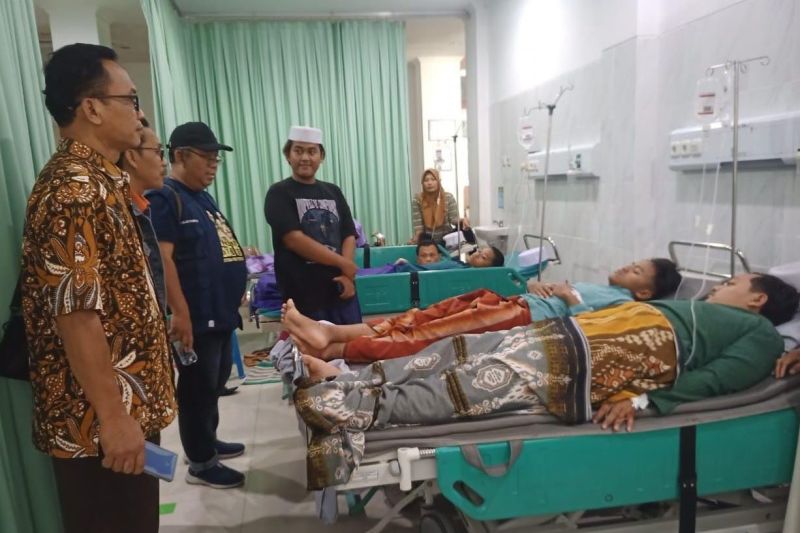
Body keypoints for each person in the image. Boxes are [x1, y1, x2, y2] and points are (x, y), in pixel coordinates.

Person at [295, 273, 798, 488]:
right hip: (570, 332)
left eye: (733, 283)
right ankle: (349, 379)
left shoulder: (760, 337)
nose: (720, 285)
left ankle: (348, 407)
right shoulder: (700, 310)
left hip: (589, 365)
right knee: (453, 351)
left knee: (468, 387)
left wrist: (644, 402)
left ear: (758, 301)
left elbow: (718, 379)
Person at [21, 43, 176, 533]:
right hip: (96, 429)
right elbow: (76, 316)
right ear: (91, 108)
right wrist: (114, 419)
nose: (140, 113)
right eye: (130, 100)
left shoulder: (102, 182)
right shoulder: (74, 190)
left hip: (120, 417)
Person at [283, 258, 681, 362]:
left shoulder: (626, 306)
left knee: (422, 337)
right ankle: (330, 331)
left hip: (522, 320)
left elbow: (592, 332)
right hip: (516, 303)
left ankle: (333, 350)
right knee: (418, 318)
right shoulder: (608, 288)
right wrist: (539, 285)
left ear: (645, 292)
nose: (627, 266)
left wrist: (569, 298)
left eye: (637, 271)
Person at [147, 121, 247, 489]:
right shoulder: (165, 198)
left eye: (216, 160)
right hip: (197, 317)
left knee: (216, 381)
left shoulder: (202, 197)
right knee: (197, 388)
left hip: (220, 312)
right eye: (206, 158)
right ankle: (201, 464)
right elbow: (163, 259)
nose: (213, 166)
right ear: (180, 156)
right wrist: (181, 313)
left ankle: (209, 440)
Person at [265, 126, 361, 324]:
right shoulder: (279, 193)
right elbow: (294, 239)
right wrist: (343, 263)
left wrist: (347, 275)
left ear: (321, 156)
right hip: (302, 296)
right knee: (309, 345)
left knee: (352, 342)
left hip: (341, 291)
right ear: (288, 155)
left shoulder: (334, 191)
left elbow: (348, 234)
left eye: (312, 151)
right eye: (298, 151)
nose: (305, 158)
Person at [119, 119, 167, 311]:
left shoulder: (141, 209)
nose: (164, 162)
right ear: (131, 157)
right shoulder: (119, 213)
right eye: (158, 152)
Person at [409, 168, 469, 244]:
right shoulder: (418, 200)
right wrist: (415, 240)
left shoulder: (448, 197)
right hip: (427, 243)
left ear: (438, 181)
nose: (429, 183)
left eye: (433, 179)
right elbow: (418, 228)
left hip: (447, 241)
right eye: (426, 180)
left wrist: (462, 220)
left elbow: (454, 219)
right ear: (422, 183)